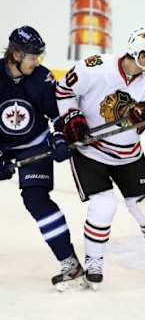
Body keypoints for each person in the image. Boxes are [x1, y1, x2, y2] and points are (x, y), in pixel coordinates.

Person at [55, 27, 145, 290]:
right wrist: (71, 118)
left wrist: (142, 118)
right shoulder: (94, 67)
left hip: (129, 156)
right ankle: (94, 261)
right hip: (91, 152)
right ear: (140, 54)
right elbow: (64, 91)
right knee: (103, 207)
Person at [0, 25, 83, 290]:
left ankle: (69, 262)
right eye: (32, 57)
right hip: (4, 147)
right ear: (15, 54)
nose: (37, 62)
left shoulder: (41, 78)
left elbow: (59, 114)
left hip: (35, 146)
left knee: (35, 199)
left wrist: (60, 138)